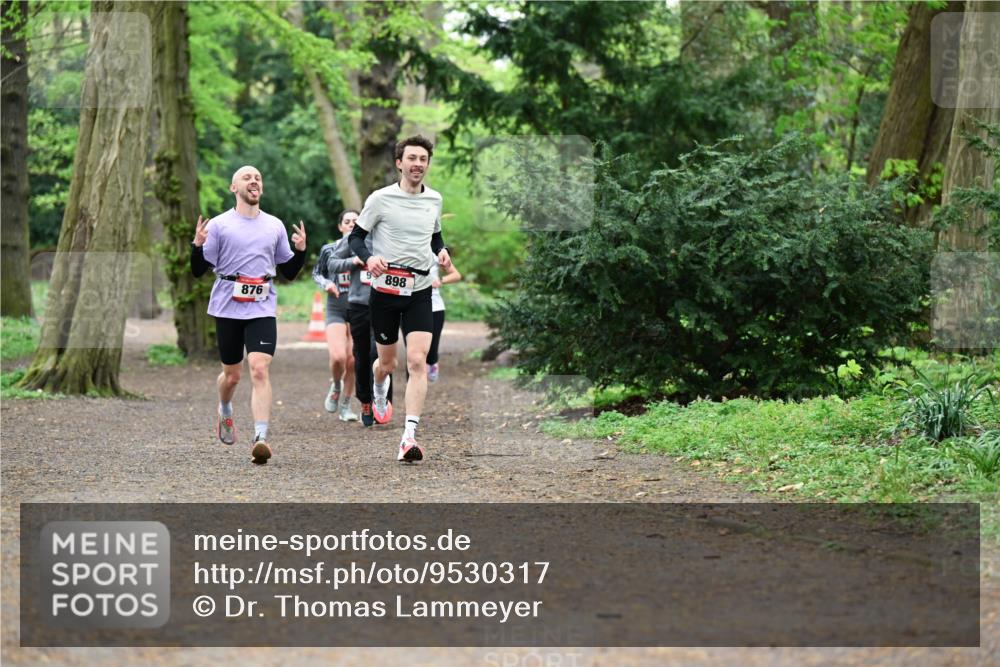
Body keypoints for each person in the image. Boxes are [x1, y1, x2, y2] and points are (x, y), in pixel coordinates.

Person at [190, 165, 306, 465]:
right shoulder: (218, 225)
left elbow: (290, 271)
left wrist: (302, 251)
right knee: (232, 375)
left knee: (259, 369)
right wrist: (197, 246)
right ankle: (225, 409)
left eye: (258, 177)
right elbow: (198, 269)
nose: (254, 180)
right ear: (234, 188)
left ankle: (261, 437)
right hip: (228, 304)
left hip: (262, 305)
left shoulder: (275, 226)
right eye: (247, 177)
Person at [349, 135, 451, 462]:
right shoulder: (380, 199)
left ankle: (408, 436)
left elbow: (435, 236)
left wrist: (442, 251)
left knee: (418, 361)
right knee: (388, 364)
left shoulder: (434, 199)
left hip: (420, 290)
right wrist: (369, 259)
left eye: (423, 159)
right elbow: (356, 238)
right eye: (412, 158)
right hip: (385, 292)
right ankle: (380, 387)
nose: (418, 164)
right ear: (399, 163)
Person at [332, 230, 394, 427]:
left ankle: (382, 400)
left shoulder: (392, 233)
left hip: (385, 302)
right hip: (359, 304)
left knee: (382, 353)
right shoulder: (355, 237)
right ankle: (366, 401)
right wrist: (353, 262)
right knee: (362, 354)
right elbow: (332, 263)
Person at [311, 210, 359, 421]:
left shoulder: (368, 250)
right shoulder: (329, 249)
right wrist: (327, 284)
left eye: (355, 222)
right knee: (339, 356)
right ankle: (336, 383)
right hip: (336, 306)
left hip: (359, 307)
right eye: (347, 222)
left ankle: (346, 407)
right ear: (340, 226)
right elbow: (317, 273)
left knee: (353, 360)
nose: (351, 224)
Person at [427, 260, 462, 383]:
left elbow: (456, 275)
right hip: (409, 307)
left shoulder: (436, 253)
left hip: (435, 307)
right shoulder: (403, 250)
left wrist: (440, 281)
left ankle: (432, 362)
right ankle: (413, 380)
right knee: (412, 351)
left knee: (431, 348)